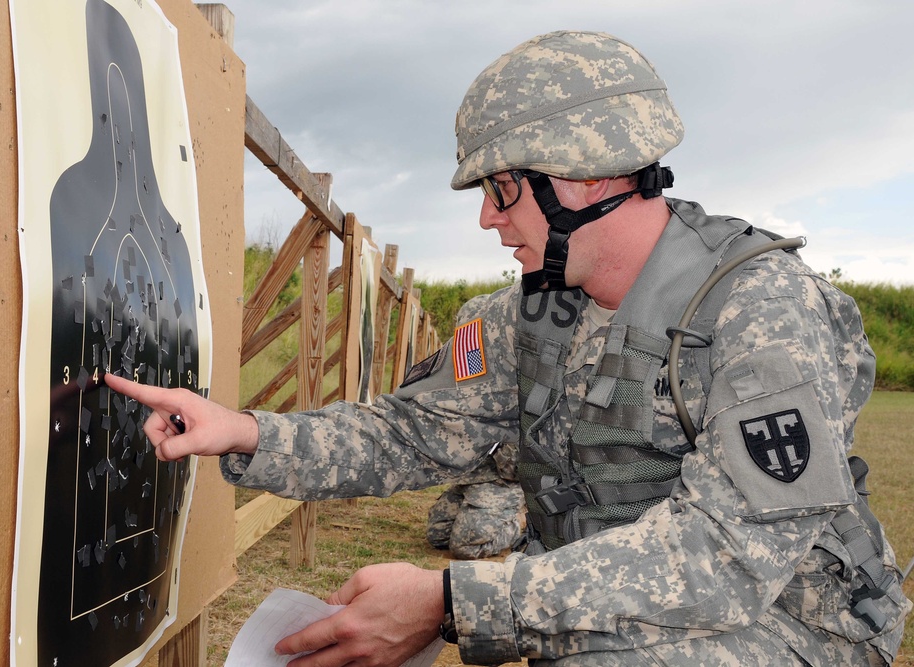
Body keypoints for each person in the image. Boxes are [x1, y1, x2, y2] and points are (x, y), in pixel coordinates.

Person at [104, 30, 910, 667]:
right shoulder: (525, 320)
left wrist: (454, 602)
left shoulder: (762, 309)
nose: (488, 220)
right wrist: (244, 431)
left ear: (585, 176)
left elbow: (724, 554)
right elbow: (409, 432)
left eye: (501, 189)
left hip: (795, 625)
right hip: (621, 617)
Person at [425, 440, 525, 559]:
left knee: (464, 548)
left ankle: (520, 520)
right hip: (477, 474)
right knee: (437, 535)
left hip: (505, 483)